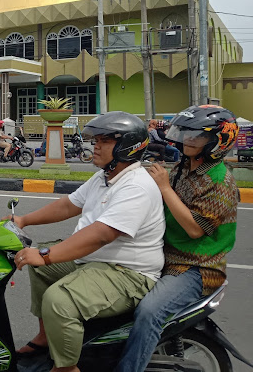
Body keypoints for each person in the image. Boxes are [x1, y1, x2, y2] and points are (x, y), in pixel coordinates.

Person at [10, 111, 165, 372]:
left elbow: (102, 234)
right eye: (96, 140)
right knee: (39, 264)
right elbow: (68, 205)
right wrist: (24, 220)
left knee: (58, 301)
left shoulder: (135, 186)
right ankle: (47, 337)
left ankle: (67, 368)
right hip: (98, 261)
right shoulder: (105, 176)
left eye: (105, 141)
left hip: (126, 272)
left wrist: (46, 253)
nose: (96, 146)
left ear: (126, 147)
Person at [115, 105, 240, 372]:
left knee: (149, 312)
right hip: (164, 255)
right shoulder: (184, 167)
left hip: (197, 268)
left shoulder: (220, 181)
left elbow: (195, 229)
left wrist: (162, 186)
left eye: (198, 136)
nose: (188, 140)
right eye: (187, 133)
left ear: (218, 142)